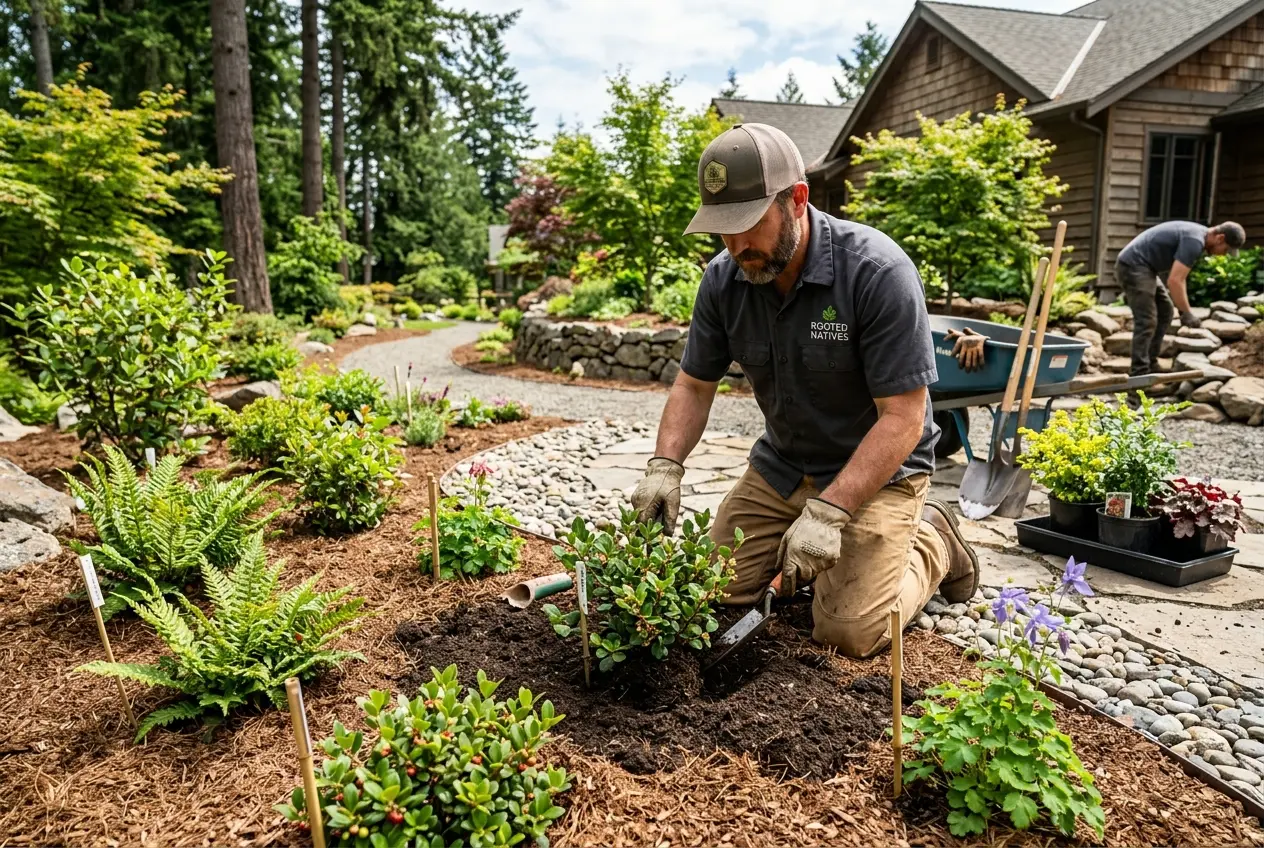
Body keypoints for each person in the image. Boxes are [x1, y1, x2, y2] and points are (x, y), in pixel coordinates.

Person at [629, 123, 979, 659]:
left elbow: (904, 418)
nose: (737, 246)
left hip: (880, 475)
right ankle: (804, 537)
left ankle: (934, 539)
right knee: (707, 594)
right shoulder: (724, 280)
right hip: (783, 467)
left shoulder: (877, 272)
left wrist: (831, 511)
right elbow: (694, 385)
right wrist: (664, 467)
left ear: (797, 199)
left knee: (849, 633)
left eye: (749, 225)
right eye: (723, 230)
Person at [1116, 220, 1246, 376]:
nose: (1223, 254)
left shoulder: (1197, 236)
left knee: (1165, 311)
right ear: (1220, 238)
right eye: (1225, 250)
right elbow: (1175, 280)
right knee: (1147, 320)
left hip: (1145, 267)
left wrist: (1183, 311)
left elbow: (1176, 279)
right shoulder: (1194, 241)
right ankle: (1139, 377)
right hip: (1133, 265)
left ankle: (1150, 363)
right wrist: (1187, 313)